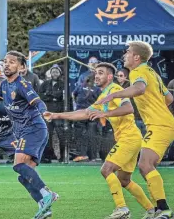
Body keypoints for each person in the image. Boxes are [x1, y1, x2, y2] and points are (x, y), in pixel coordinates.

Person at [45, 62, 155, 219]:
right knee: (124, 180)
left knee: (106, 169)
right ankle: (151, 210)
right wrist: (56, 115)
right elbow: (84, 113)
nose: (96, 75)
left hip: (129, 138)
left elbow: (129, 108)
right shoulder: (104, 95)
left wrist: (106, 114)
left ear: (110, 76)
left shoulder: (115, 89)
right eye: (96, 73)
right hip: (129, 138)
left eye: (101, 73)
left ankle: (121, 208)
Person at [0, 51, 59, 219]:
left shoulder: (22, 84)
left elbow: (37, 101)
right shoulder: (5, 85)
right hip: (26, 132)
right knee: (24, 175)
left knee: (18, 166)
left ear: (21, 67)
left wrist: (45, 112)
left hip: (33, 129)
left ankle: (47, 193)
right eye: (5, 61)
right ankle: (44, 207)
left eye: (12, 62)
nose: (7, 64)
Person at [97, 41, 174, 219]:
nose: (125, 54)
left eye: (128, 52)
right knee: (144, 166)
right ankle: (157, 209)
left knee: (145, 165)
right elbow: (168, 98)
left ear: (136, 57)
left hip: (159, 125)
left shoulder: (138, 72)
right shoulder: (151, 72)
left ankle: (163, 209)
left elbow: (139, 89)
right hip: (162, 124)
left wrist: (114, 94)